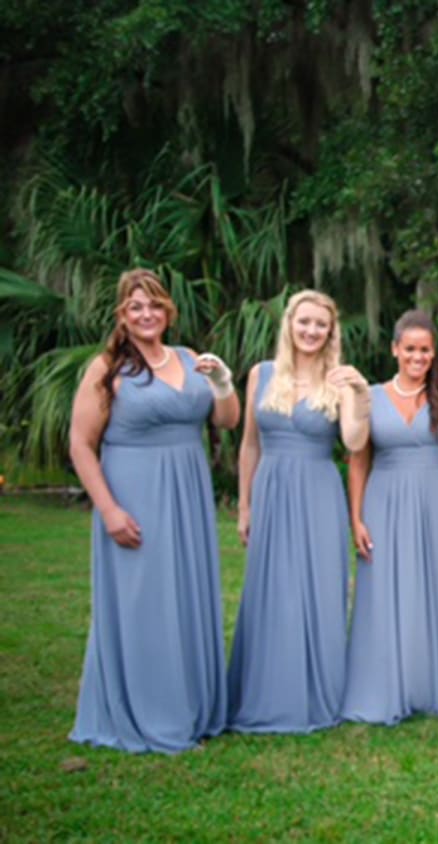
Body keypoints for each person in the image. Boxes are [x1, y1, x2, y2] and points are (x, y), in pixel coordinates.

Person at [68, 268, 240, 753]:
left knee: (186, 596)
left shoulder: (188, 359)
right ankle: (151, 714)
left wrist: (224, 382)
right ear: (122, 316)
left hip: (188, 494)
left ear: (168, 312)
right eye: (135, 307)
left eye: (155, 306)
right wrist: (109, 510)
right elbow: (81, 444)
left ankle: (194, 707)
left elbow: (227, 420)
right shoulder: (106, 369)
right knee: (145, 602)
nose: (146, 314)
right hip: (134, 496)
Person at [229, 289, 371, 733]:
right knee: (270, 588)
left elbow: (352, 442)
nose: (311, 331)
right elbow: (249, 444)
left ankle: (315, 693)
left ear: (331, 333)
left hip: (317, 491)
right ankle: (264, 690)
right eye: (304, 322)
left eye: (320, 325)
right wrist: (245, 504)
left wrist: (361, 396)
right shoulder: (261, 374)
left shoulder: (342, 380)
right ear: (289, 324)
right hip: (271, 488)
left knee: (316, 589)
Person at [341, 310, 438, 724]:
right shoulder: (372, 395)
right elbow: (357, 459)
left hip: (437, 496)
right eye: (410, 349)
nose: (417, 357)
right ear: (395, 349)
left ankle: (436, 682)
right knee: (385, 587)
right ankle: (387, 679)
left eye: (425, 350)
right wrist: (357, 517)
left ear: (434, 353)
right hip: (384, 498)